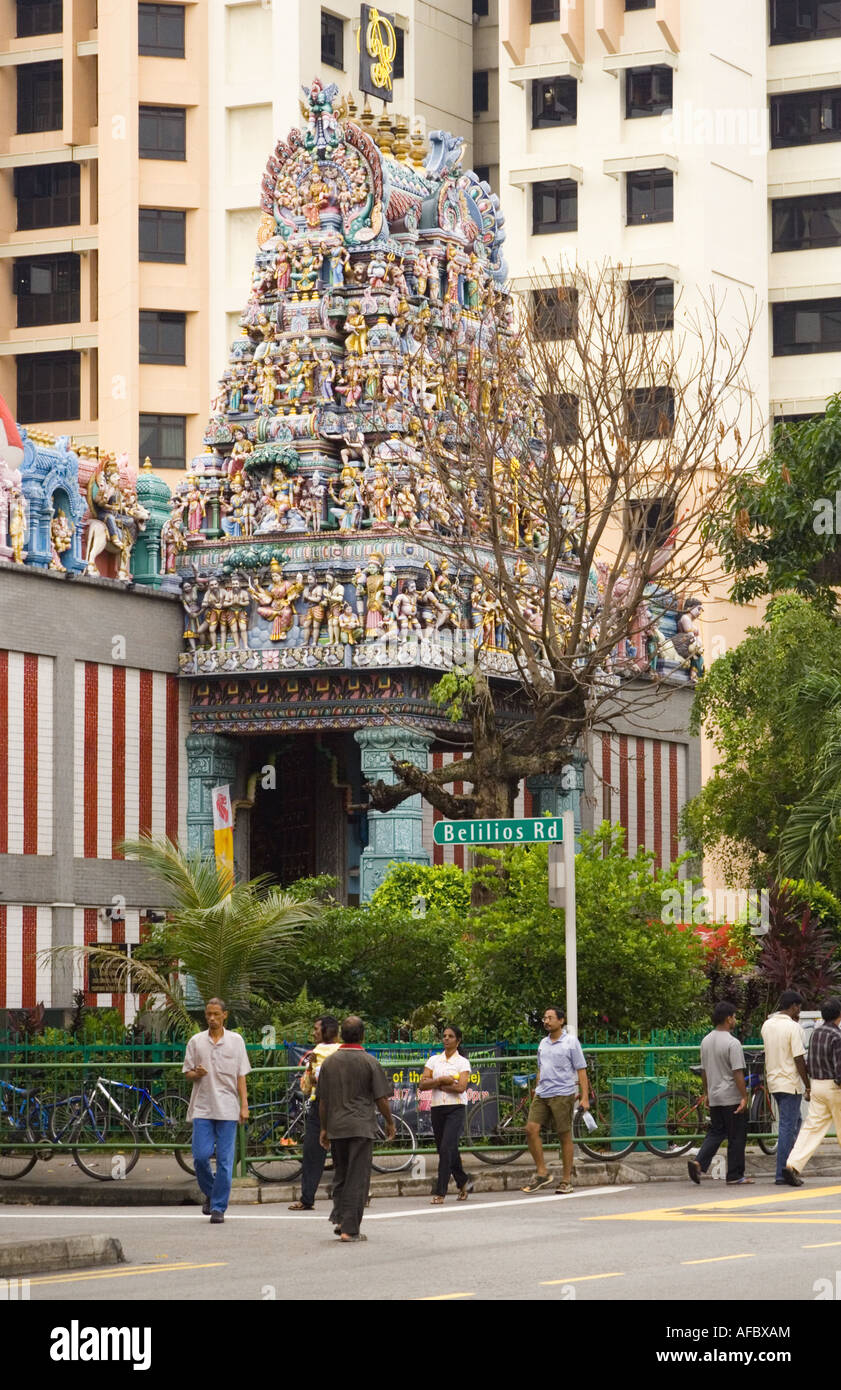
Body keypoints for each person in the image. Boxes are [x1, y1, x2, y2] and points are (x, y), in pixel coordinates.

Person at [317, 1016, 395, 1242]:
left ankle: (340, 1217)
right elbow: (381, 1098)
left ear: (341, 1034)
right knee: (357, 1177)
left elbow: (323, 1101)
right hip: (361, 1127)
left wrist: (324, 1128)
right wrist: (389, 1122)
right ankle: (349, 1229)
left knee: (341, 1174)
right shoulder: (369, 1061)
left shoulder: (329, 1063)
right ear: (362, 1035)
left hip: (336, 1126)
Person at [182, 997, 251, 1223]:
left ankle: (218, 1207)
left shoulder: (236, 1041)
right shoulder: (196, 1041)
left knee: (224, 1160)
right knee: (201, 1157)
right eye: (208, 1014)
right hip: (202, 1107)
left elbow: (241, 1075)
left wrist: (244, 1105)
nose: (212, 1018)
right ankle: (213, 1194)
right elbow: (187, 1073)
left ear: (225, 1015)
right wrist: (196, 1074)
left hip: (228, 1109)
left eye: (216, 1014)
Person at [522, 1005, 589, 1195]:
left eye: (551, 1017)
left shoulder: (570, 1042)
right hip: (543, 1093)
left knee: (564, 1135)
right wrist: (536, 1087)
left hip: (563, 1094)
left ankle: (566, 1180)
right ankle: (542, 1172)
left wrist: (584, 1097)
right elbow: (541, 1067)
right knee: (531, 1129)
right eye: (545, 1018)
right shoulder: (543, 1043)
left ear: (561, 1021)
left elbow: (581, 1069)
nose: (546, 1021)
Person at [687, 1001, 751, 1187]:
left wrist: (706, 1093)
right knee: (737, 1136)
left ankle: (699, 1162)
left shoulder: (706, 1041)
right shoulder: (733, 1043)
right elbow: (737, 1072)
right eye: (734, 1017)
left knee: (716, 1131)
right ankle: (735, 1175)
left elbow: (705, 1071)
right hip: (731, 1096)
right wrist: (744, 1096)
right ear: (728, 1018)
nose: (735, 1020)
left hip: (714, 1095)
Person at [782, 998, 841, 1186]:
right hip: (834, 1087)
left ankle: (792, 1164)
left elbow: (809, 1061)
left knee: (811, 1128)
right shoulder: (836, 1036)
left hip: (817, 1085)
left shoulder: (816, 1033)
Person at [288, 1014, 341, 1212]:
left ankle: (307, 1198)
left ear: (327, 1031)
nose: (313, 1033)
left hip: (320, 1106)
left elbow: (306, 1086)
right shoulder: (344, 1052)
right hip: (342, 1106)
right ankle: (358, 1196)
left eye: (316, 1029)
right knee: (344, 1155)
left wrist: (310, 1067)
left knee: (312, 1154)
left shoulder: (317, 1054)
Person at [419, 1025, 474, 1205]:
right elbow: (422, 1084)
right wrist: (442, 1080)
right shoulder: (434, 1060)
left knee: (446, 1148)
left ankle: (440, 1191)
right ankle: (462, 1180)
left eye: (450, 1036)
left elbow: (461, 1087)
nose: (446, 1039)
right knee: (447, 1148)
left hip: (456, 1107)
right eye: (444, 1036)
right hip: (437, 1107)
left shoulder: (462, 1062)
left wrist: (437, 1084)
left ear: (458, 1041)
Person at [761, 990, 810, 1184]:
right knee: (788, 1127)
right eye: (799, 1007)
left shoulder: (767, 1025)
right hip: (790, 1083)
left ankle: (791, 1163)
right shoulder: (793, 1028)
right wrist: (808, 1085)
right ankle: (783, 1173)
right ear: (794, 1007)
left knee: (795, 1122)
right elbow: (799, 1058)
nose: (799, 1010)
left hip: (774, 1082)